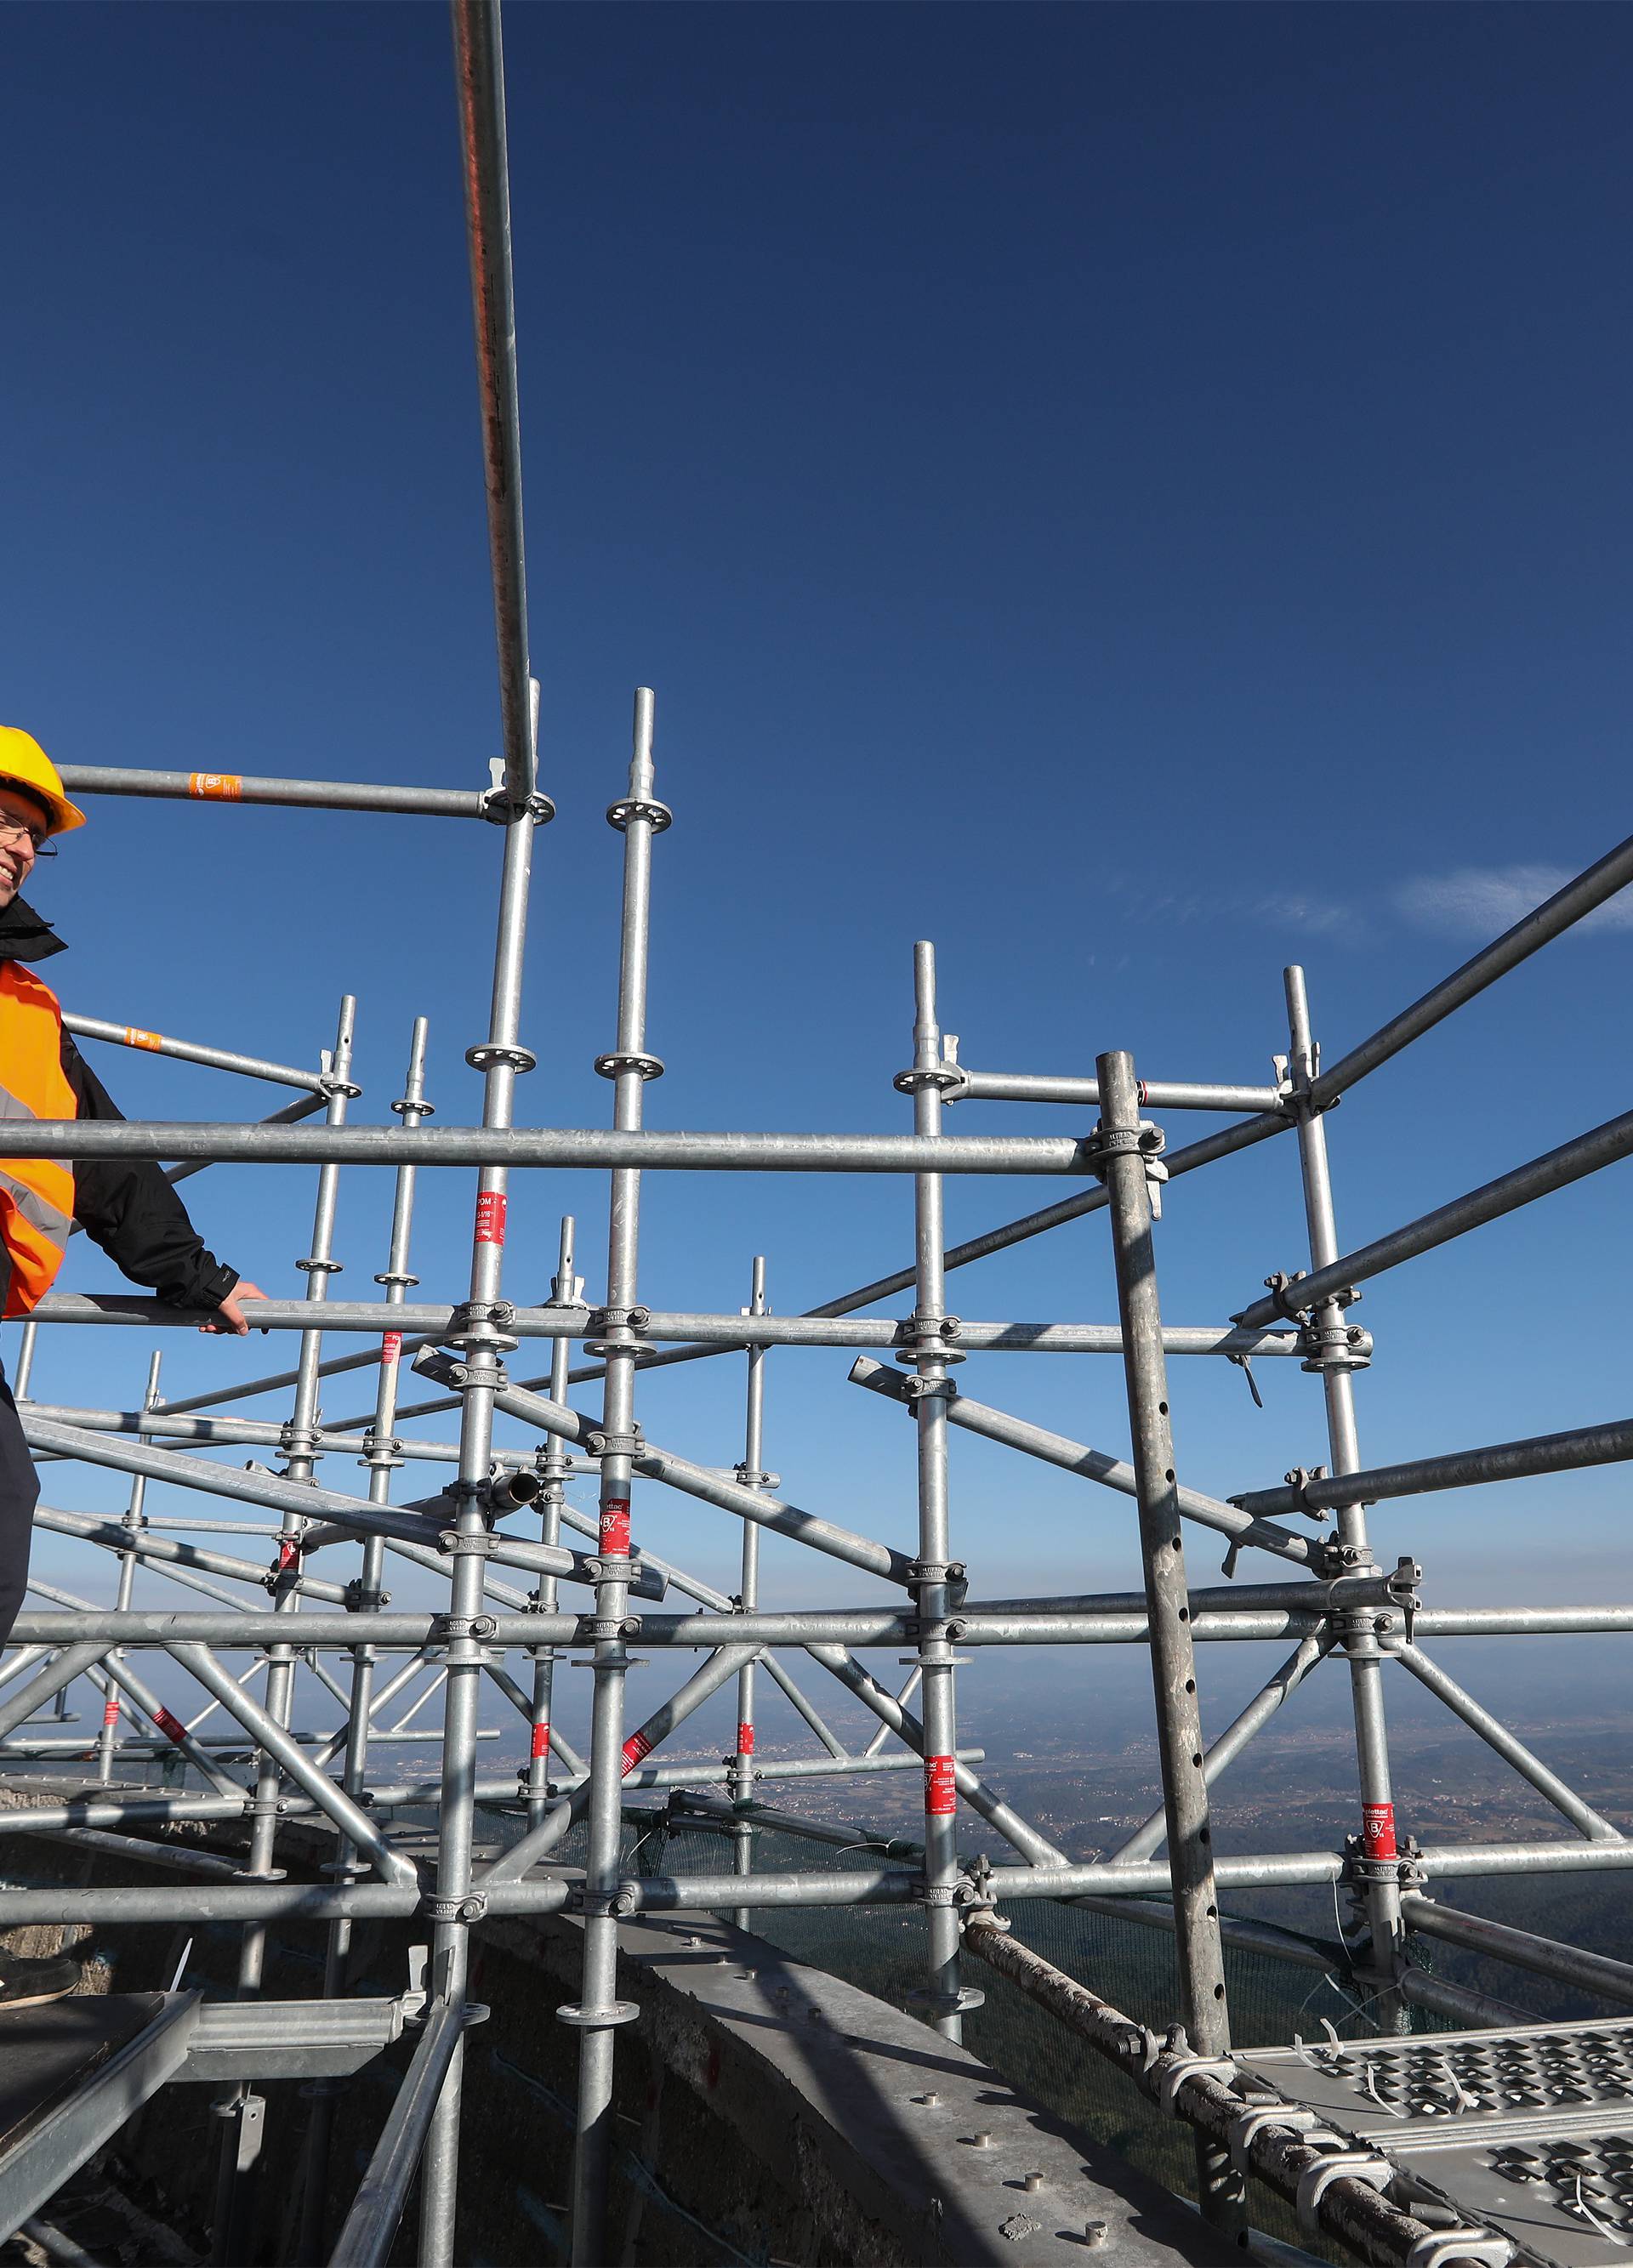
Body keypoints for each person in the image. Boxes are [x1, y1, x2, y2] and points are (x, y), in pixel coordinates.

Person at [0, 725, 265, 2006]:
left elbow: (104, 1157)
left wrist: (196, 1279)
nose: (16, 844)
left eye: (30, 832)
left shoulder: (24, 1011)